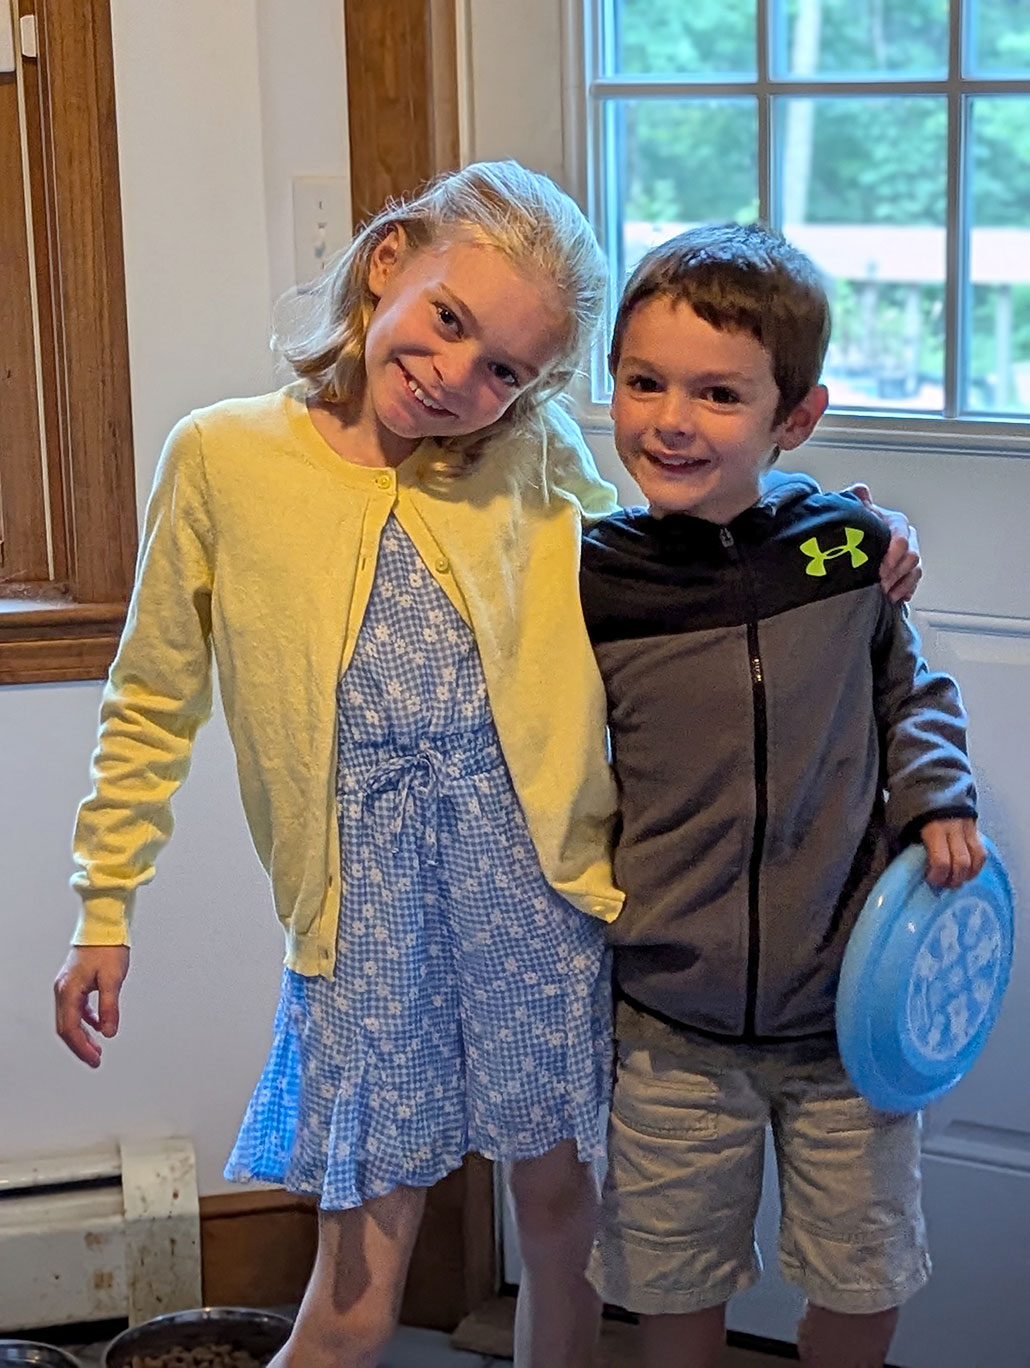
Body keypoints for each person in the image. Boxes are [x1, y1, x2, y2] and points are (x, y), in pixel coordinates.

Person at [52, 162, 918, 1368]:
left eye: (506, 369)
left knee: (562, 1228)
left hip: (535, 904)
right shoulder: (221, 459)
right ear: (388, 263)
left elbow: (684, 536)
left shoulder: (530, 457)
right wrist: (105, 906)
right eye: (449, 320)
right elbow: (150, 698)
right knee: (359, 1284)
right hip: (364, 922)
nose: (457, 378)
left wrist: (845, 535)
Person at [580, 222, 984, 1368]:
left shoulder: (843, 551)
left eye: (718, 394)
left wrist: (937, 797)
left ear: (793, 417)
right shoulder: (592, 579)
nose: (671, 418)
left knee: (862, 1279)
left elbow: (909, 685)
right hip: (669, 1026)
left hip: (850, 1021)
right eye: (644, 382)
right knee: (669, 1288)